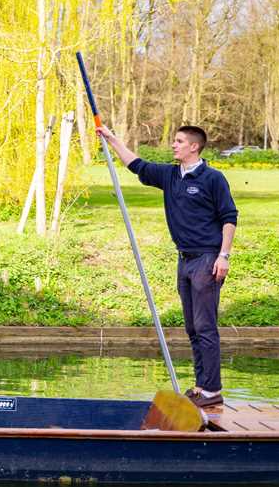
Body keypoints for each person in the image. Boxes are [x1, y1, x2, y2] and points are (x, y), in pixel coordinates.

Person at [96, 124, 238, 407]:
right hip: (184, 260)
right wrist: (112, 140)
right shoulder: (171, 175)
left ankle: (212, 390)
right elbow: (137, 165)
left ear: (194, 147)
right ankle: (202, 387)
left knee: (204, 326)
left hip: (207, 259)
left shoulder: (213, 178)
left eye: (179, 141)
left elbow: (229, 217)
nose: (173, 145)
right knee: (191, 327)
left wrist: (224, 256)